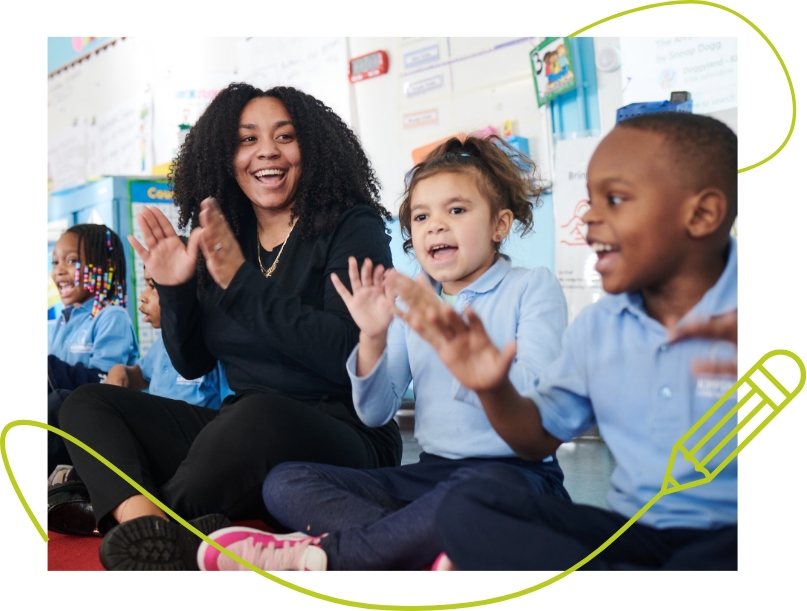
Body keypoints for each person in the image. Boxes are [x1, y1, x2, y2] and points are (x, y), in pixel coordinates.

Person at [58, 84, 402, 571]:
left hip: (343, 430)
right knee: (86, 404)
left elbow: (344, 354)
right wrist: (175, 289)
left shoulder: (351, 224)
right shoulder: (227, 235)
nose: (267, 151)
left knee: (254, 417)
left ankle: (140, 523)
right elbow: (193, 361)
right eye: (247, 140)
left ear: (315, 148)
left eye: (285, 136)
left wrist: (241, 284)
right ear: (224, 155)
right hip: (237, 430)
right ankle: (146, 527)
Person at [196, 135, 571, 571]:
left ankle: (330, 555)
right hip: (431, 477)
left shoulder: (532, 287)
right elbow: (375, 412)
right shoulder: (411, 300)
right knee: (285, 482)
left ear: (499, 225)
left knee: (472, 499)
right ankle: (427, 545)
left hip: (515, 476)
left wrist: (477, 372)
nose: (435, 225)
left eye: (457, 210)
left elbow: (541, 406)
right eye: (421, 215)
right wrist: (372, 339)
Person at [410, 113, 739, 570]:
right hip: (631, 533)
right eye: (590, 200)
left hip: (735, 536)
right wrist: (492, 387)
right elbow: (537, 440)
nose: (589, 219)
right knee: (469, 506)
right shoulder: (599, 326)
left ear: (701, 214)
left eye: (616, 199)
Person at [48, 224, 138, 478]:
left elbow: (104, 386)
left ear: (105, 266)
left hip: (96, 427)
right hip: (64, 429)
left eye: (72, 261)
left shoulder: (112, 317)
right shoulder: (61, 321)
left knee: (59, 402)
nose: (59, 271)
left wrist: (49, 368)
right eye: (55, 262)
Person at [104, 259, 223, 409]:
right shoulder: (162, 343)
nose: (142, 296)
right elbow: (142, 374)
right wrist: (121, 371)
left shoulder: (216, 347)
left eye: (152, 286)